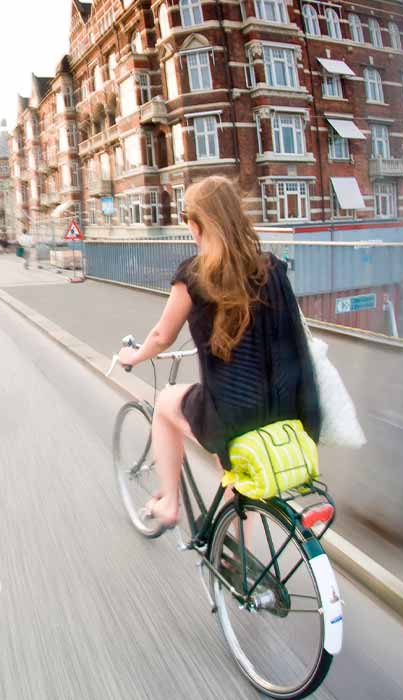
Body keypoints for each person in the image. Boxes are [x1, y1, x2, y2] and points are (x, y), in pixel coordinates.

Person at [117, 176, 321, 531]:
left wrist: (132, 357)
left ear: (196, 225)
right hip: (289, 408)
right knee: (235, 480)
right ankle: (237, 563)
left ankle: (168, 503)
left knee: (166, 403)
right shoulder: (271, 266)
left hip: (232, 414)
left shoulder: (195, 276)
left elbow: (163, 336)